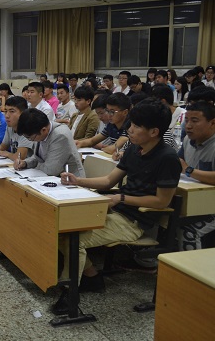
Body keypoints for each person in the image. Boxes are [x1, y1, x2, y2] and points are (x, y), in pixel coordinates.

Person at [54, 98, 181, 314]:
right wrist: (78, 180)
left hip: (135, 221)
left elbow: (162, 201)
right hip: (117, 210)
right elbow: (108, 181)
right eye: (131, 124)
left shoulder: (167, 158)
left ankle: (69, 295)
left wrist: (121, 198)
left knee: (75, 240)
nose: (130, 130)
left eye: (137, 126)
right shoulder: (134, 149)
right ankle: (92, 277)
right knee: (62, 230)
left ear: (154, 132)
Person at [178, 101, 215, 250]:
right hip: (196, 201)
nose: (188, 126)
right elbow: (178, 163)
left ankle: (189, 265)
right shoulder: (188, 140)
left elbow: (184, 168)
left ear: (212, 123)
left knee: (188, 230)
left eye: (194, 121)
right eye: (186, 120)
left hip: (212, 207)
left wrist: (189, 170)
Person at [15, 108, 85, 177]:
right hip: (49, 178)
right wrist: (25, 163)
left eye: (30, 138)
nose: (31, 140)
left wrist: (35, 167)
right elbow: (38, 158)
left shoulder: (60, 136)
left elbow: (51, 170)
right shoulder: (38, 131)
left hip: (71, 180)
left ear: (44, 130)